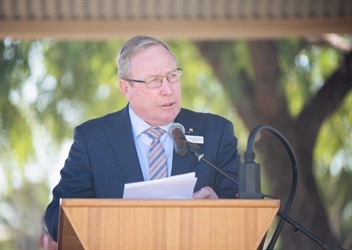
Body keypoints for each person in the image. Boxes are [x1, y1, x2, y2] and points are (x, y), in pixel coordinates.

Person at [45, 35, 240, 241]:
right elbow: (58, 220)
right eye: (154, 81)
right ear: (126, 89)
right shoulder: (92, 139)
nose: (168, 89)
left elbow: (245, 207)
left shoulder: (216, 132)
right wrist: (124, 220)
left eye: (172, 76)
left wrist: (218, 206)